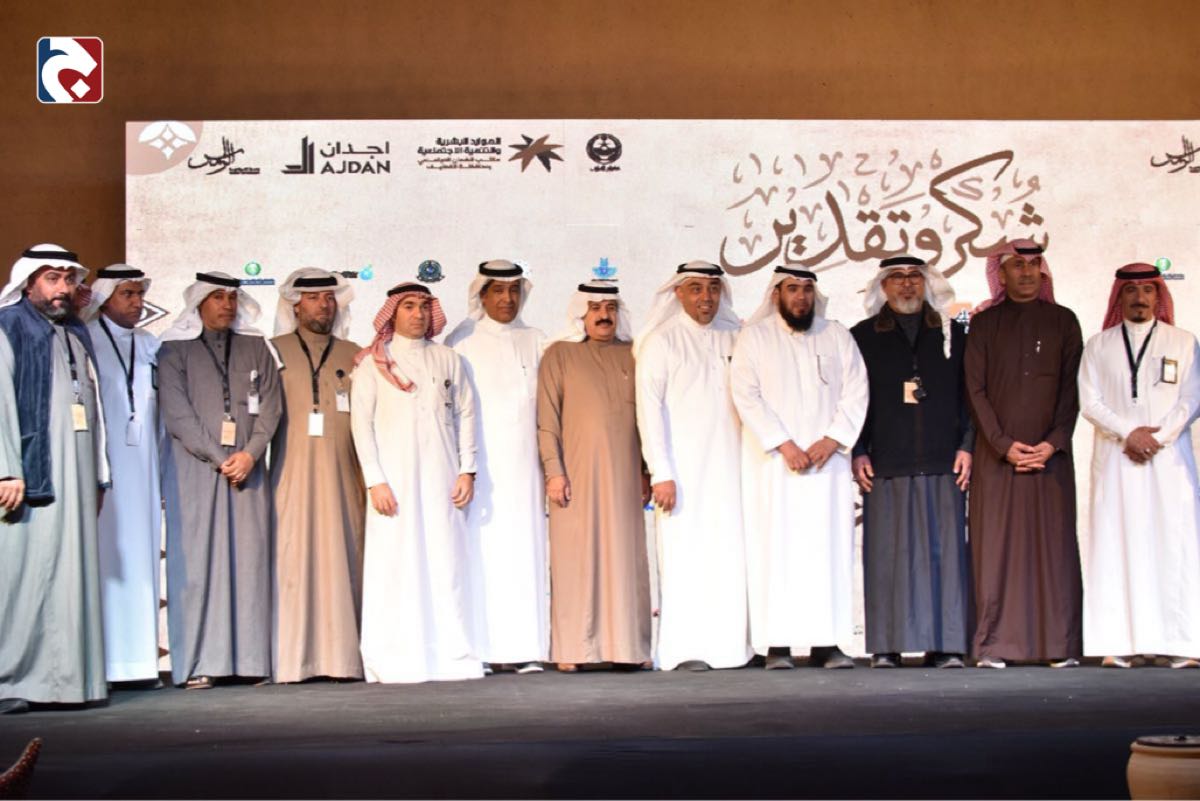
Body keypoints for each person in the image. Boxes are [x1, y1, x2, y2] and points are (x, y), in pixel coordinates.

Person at [731, 266, 867, 669]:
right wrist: (784, 444)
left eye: (807, 289)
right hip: (775, 467)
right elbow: (746, 394)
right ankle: (778, 645)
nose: (801, 297)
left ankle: (829, 642)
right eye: (793, 289)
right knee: (776, 551)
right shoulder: (755, 338)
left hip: (828, 467)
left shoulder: (836, 335)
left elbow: (857, 390)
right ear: (777, 294)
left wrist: (832, 439)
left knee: (827, 551)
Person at [350, 281, 483, 683]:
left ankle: (450, 656)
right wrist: (375, 480)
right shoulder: (372, 364)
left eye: (424, 306)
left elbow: (466, 415)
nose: (418, 314)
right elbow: (361, 426)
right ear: (393, 313)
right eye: (408, 306)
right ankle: (395, 657)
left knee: (445, 564)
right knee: (395, 565)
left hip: (442, 478)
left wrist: (467, 469)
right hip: (394, 484)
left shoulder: (449, 359)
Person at [158, 272, 283, 689]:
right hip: (196, 472)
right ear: (198, 303)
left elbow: (271, 407)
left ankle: (251, 661)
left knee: (250, 561)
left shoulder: (256, 347)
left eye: (232, 298)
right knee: (198, 563)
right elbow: (177, 413)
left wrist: (250, 454)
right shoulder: (174, 349)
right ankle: (200, 662)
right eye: (217, 298)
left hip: (249, 469)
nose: (227, 306)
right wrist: (219, 457)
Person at [964, 240, 1083, 668]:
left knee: (1053, 552)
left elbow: (1072, 389)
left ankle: (1058, 645)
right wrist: (1003, 445)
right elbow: (974, 390)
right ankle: (994, 645)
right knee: (996, 551)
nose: (1028, 273)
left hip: (1051, 459)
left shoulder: (1064, 321)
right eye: (1018, 265)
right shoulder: (983, 324)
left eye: (1034, 265)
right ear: (1002, 274)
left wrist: (1053, 442)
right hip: (997, 461)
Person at [850, 255, 973, 669]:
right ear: (883, 287)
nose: (906, 285)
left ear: (927, 283)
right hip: (885, 463)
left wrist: (968, 445)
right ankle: (887, 647)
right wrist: (858, 450)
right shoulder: (862, 336)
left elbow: (971, 396)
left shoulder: (954, 334)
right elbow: (851, 400)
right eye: (897, 278)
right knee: (888, 559)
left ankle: (947, 646)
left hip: (944, 461)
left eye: (914, 278)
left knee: (945, 558)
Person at [0, 245, 108, 714]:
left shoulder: (75, 331)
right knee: (26, 576)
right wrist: (6, 469)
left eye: (68, 279)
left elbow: (95, 406)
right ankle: (12, 680)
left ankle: (68, 682)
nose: (62, 288)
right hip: (30, 475)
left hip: (77, 474)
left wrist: (100, 475)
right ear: (28, 284)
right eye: (51, 278)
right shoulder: (9, 326)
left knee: (69, 574)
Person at [1080, 263, 1200, 669]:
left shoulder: (1183, 342)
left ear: (1158, 295)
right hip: (1117, 460)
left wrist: (1157, 438)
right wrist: (1129, 433)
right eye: (1130, 290)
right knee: (1117, 544)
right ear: (1119, 296)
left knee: (1174, 545)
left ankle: (1180, 643)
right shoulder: (1098, 345)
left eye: (1148, 290)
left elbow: (1192, 399)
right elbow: (1090, 402)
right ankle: (1118, 642)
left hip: (1170, 463)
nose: (1139, 298)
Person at [634, 261, 751, 671]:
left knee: (730, 556)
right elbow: (648, 412)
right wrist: (661, 472)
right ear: (678, 293)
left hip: (733, 469)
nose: (706, 297)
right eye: (697, 288)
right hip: (681, 474)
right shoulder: (661, 342)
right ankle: (685, 649)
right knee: (685, 557)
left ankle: (732, 648)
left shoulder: (737, 336)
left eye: (713, 289)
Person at [537, 280, 651, 671]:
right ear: (580, 314)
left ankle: (627, 649)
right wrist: (554, 471)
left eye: (611, 309)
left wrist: (646, 471)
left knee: (624, 560)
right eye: (596, 309)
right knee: (575, 560)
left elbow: (645, 420)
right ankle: (573, 650)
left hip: (624, 480)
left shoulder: (634, 355)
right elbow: (547, 420)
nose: (604, 316)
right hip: (575, 478)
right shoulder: (559, 355)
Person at [446, 260, 549, 674]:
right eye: (498, 291)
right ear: (482, 295)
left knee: (524, 552)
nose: (507, 299)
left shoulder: (537, 339)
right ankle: (481, 649)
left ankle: (526, 649)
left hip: (526, 471)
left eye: (514, 291)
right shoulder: (461, 340)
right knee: (481, 555)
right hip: (480, 471)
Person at [269, 268, 365, 683]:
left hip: (344, 479)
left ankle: (343, 660)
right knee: (293, 562)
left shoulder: (355, 354)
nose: (324, 305)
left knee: (344, 560)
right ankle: (293, 662)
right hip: (289, 478)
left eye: (329, 298)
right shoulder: (272, 351)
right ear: (294, 305)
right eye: (313, 298)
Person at [84, 265, 163, 686]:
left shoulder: (150, 343)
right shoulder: (85, 340)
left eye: (139, 294)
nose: (137, 302)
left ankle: (141, 664)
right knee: (108, 558)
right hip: (106, 469)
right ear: (105, 297)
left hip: (145, 469)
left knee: (143, 557)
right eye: (127, 294)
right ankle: (106, 663)